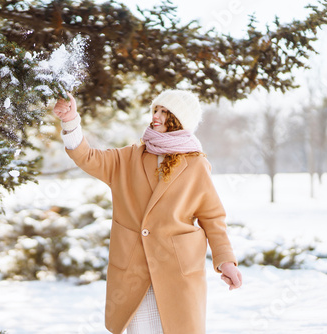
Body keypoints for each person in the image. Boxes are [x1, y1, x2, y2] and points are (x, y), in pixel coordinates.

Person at [53, 90, 242, 334]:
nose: (157, 116)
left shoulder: (196, 164)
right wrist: (70, 121)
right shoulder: (128, 158)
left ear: (178, 120)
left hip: (178, 269)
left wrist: (225, 261)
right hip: (134, 269)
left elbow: (212, 217)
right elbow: (87, 157)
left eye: (165, 112)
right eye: (156, 109)